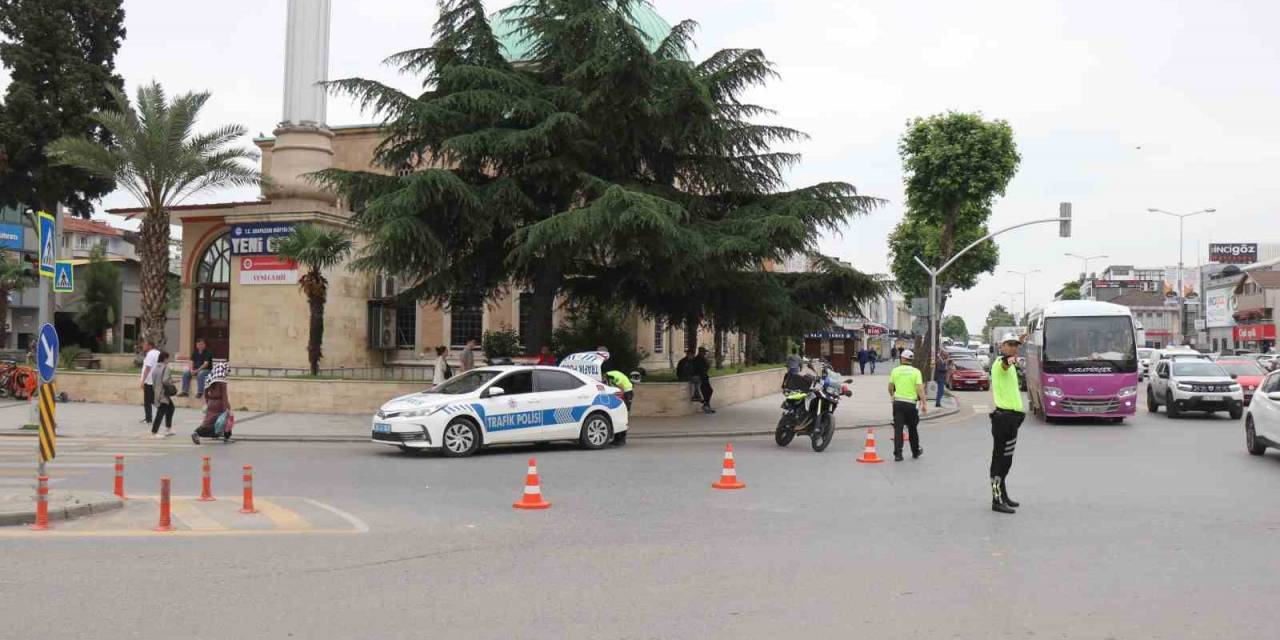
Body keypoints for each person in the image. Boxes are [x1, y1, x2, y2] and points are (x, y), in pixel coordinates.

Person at [989, 333, 1027, 514]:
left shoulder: (1010, 364)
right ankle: (996, 500)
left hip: (1012, 419)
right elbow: (1005, 363)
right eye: (1009, 344)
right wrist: (1012, 356)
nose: (1013, 347)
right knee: (999, 462)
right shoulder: (1000, 364)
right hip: (1003, 419)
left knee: (1007, 461)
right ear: (1001, 346)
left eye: (1015, 345)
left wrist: (1020, 342)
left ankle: (1003, 495)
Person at [887, 349, 926, 461]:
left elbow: (890, 387)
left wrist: (892, 395)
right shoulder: (916, 372)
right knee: (912, 429)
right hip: (911, 405)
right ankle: (915, 451)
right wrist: (924, 403)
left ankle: (898, 455)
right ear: (911, 360)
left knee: (898, 429)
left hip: (898, 403)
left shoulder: (895, 371)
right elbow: (920, 388)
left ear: (903, 359)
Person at [192, 363, 232, 444]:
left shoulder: (209, 379)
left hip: (211, 403)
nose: (225, 373)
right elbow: (224, 397)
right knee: (225, 420)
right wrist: (228, 408)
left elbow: (206, 394)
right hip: (219, 404)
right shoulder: (222, 382)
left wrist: (209, 403)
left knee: (208, 421)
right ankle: (226, 436)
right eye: (225, 371)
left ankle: (196, 432)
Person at [150, 351, 177, 438]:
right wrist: (172, 382)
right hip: (163, 394)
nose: (168, 360)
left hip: (157, 392)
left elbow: (154, 381)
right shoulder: (166, 368)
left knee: (171, 408)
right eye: (168, 358)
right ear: (165, 358)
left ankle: (168, 429)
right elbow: (165, 381)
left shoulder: (155, 368)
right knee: (161, 412)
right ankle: (154, 432)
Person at [139, 340, 159, 424]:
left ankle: (148, 419)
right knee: (152, 399)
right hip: (156, 380)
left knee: (148, 401)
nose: (143, 347)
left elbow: (147, 368)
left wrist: (142, 381)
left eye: (145, 345)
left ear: (150, 346)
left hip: (149, 381)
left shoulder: (150, 354)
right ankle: (149, 418)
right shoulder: (158, 353)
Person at [692, 346, 715, 414]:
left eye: (705, 352)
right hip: (701, 377)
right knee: (708, 391)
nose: (705, 353)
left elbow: (706, 367)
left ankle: (706, 404)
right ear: (700, 352)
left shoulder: (702, 358)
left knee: (708, 391)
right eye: (704, 352)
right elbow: (700, 369)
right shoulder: (698, 359)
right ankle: (706, 405)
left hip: (704, 376)